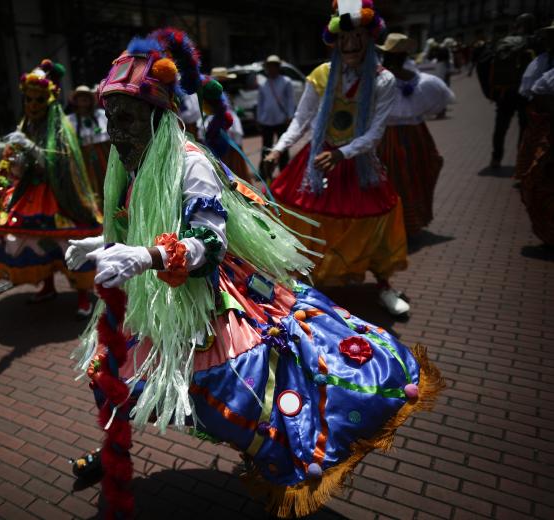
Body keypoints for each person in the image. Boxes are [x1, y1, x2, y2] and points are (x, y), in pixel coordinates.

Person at [67, 23, 442, 520]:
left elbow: (209, 241)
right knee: (115, 374)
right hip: (154, 297)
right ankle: (116, 448)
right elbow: (131, 222)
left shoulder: (190, 161)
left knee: (238, 397)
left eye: (127, 118)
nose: (115, 132)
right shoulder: (130, 161)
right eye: (110, 117)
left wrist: (147, 257)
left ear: (159, 116)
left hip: (205, 294)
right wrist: (100, 245)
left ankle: (268, 467)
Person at [264, 1, 410, 316]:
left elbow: (375, 132)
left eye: (357, 35)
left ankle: (384, 284)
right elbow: (301, 120)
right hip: (317, 160)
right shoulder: (322, 74)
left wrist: (343, 153)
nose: (350, 44)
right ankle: (304, 283)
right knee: (306, 220)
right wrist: (278, 148)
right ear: (335, 40)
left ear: (369, 38)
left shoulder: (383, 80)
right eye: (344, 37)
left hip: (357, 162)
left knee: (377, 219)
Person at [0, 59, 102, 318]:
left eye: (38, 100)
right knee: (34, 242)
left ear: (49, 100)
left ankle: (83, 295)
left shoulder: (61, 127)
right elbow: (16, 168)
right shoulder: (26, 126)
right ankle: (48, 285)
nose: (32, 106)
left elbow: (62, 163)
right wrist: (18, 162)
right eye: (28, 100)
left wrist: (31, 150)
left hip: (61, 197)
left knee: (67, 242)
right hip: (30, 195)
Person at [377, 33, 455, 237]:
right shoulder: (417, 79)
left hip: (389, 135)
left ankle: (398, 223)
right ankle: (409, 221)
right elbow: (436, 104)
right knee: (415, 174)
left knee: (395, 177)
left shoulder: (380, 78)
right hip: (416, 134)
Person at [477, 13, 537, 168]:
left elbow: (482, 62)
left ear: (516, 25)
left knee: (501, 127)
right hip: (526, 94)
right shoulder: (535, 42)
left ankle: (496, 159)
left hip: (505, 92)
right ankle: (521, 162)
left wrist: (491, 91)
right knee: (524, 128)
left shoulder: (503, 42)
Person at [516, 22, 554, 245]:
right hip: (543, 126)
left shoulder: (540, 62)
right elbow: (532, 90)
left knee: (538, 175)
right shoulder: (540, 62)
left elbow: (529, 89)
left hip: (543, 128)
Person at [197, 67, 252, 182]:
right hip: (220, 137)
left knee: (233, 168)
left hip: (228, 136)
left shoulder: (225, 96)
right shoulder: (212, 98)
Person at [257, 54, 297, 180]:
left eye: (274, 66)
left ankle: (284, 171)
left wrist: (290, 116)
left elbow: (291, 100)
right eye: (269, 66)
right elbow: (260, 103)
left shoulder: (286, 82)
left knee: (283, 147)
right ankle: (264, 172)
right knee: (266, 147)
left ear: (278, 67)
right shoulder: (263, 84)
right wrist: (259, 118)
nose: (271, 69)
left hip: (282, 119)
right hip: (267, 120)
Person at [67, 85, 111, 199]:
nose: (83, 99)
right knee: (89, 183)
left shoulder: (101, 115)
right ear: (76, 101)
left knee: (106, 179)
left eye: (86, 96)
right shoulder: (69, 120)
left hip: (103, 153)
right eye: (80, 97)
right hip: (82, 156)